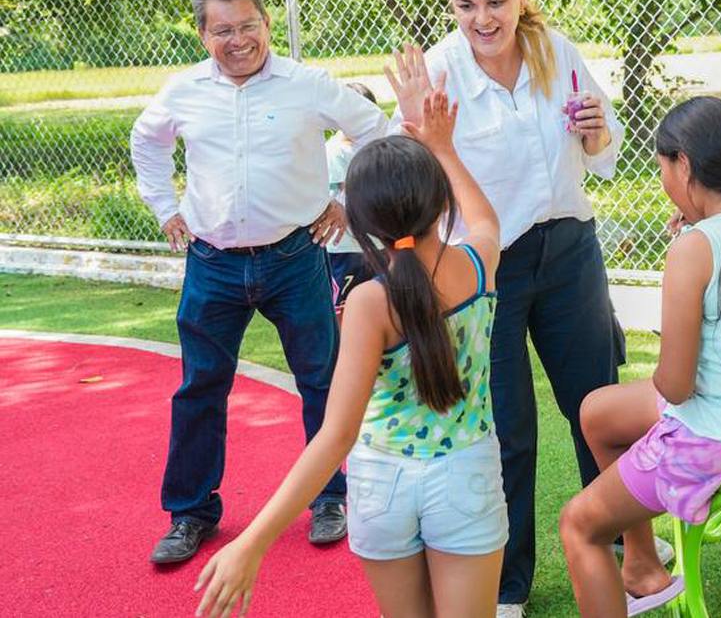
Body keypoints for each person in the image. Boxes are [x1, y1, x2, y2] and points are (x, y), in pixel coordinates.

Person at [192, 91, 504, 618]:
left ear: (361, 223)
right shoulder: (478, 264)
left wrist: (253, 542)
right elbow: (487, 222)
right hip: (466, 475)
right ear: (441, 205)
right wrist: (444, 148)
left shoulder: (368, 302)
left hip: (383, 485)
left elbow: (335, 435)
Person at [389, 0, 630, 617]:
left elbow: (604, 146)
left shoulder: (557, 51)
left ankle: (619, 544)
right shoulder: (436, 70)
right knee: (507, 429)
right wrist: (410, 129)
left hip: (570, 252)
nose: (482, 18)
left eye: (496, 0)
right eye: (466, 5)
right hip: (487, 268)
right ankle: (507, 584)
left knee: (597, 406)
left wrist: (595, 132)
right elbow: (400, 171)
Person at [130, 0, 388, 564]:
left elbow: (376, 130)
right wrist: (165, 208)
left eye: (249, 25)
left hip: (294, 257)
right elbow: (146, 143)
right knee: (199, 387)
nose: (239, 39)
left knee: (322, 380)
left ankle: (330, 498)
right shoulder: (183, 91)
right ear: (203, 34)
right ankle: (191, 513)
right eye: (223, 30)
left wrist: (349, 199)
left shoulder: (306, 84)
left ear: (266, 24)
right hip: (212, 265)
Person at [559, 96, 721, 618]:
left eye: (663, 169)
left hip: (714, 443)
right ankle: (641, 565)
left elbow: (674, 387)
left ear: (684, 165)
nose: (663, 182)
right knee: (597, 412)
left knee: (579, 525)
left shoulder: (692, 250)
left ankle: (626, 558)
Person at [327, 82, 382, 322]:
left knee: (378, 304)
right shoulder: (333, 153)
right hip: (344, 248)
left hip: (377, 245)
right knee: (344, 310)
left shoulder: (379, 148)